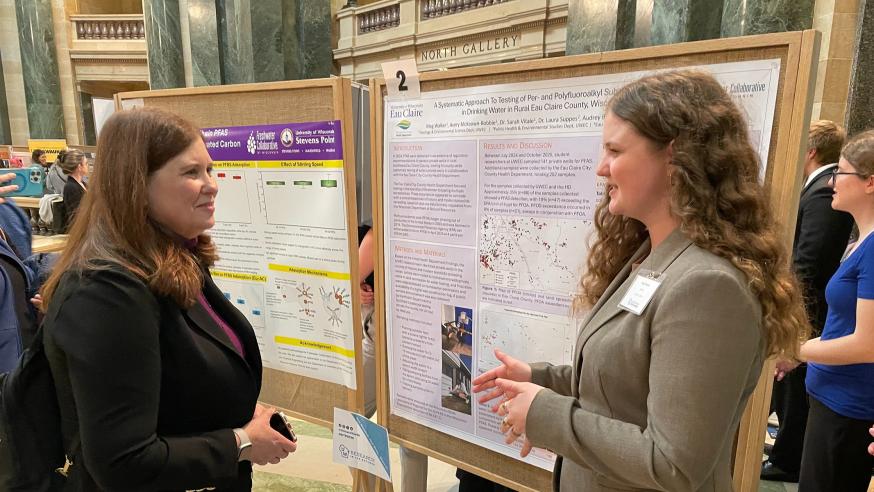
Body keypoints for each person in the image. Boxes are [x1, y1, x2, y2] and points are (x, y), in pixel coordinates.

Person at [472, 70, 807, 492]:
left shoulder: (706, 286)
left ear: (674, 156)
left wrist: (544, 414)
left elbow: (674, 463)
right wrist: (540, 379)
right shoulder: (651, 255)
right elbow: (625, 387)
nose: (601, 168)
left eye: (614, 150)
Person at [38, 107, 296, 491]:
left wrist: (234, 408)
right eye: (191, 172)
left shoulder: (175, 258)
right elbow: (122, 462)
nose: (212, 184)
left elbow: (176, 381)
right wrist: (241, 443)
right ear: (136, 185)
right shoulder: (107, 291)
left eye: (209, 169)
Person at [782, 129, 874, 492]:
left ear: (870, 183)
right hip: (831, 397)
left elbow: (866, 344)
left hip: (848, 406)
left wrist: (797, 349)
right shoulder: (860, 241)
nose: (833, 180)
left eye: (843, 172)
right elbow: (844, 325)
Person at [762, 120, 854, 482]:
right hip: (808, 313)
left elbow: (809, 261)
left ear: (811, 150)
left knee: (794, 392)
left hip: (810, 311)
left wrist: (794, 326)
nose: (836, 183)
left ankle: (788, 457)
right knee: (788, 390)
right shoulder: (817, 188)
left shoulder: (819, 193)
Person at [357, 224, 430, 491]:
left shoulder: (381, 228)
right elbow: (348, 278)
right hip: (398, 328)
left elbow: (349, 276)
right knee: (359, 415)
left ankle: (378, 487)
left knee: (406, 431)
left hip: (400, 331)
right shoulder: (379, 228)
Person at [58, 149, 88, 227]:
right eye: (86, 163)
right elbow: (75, 214)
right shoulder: (70, 187)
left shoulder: (82, 183)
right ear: (79, 167)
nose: (87, 166)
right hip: (80, 228)